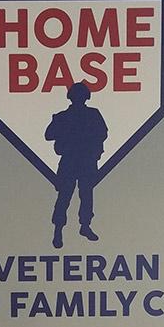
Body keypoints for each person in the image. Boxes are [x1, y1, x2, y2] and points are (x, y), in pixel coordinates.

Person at [45, 82, 108, 249]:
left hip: (85, 160)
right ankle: (58, 230)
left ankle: (84, 226)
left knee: (85, 195)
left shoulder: (92, 115)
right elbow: (49, 135)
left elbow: (102, 133)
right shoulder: (62, 117)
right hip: (71, 160)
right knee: (66, 195)